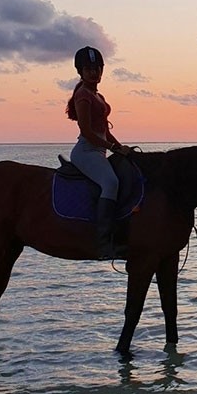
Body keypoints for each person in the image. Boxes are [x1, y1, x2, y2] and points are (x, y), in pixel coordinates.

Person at [66, 46, 132, 259]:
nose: (94, 72)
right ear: (80, 71)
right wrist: (112, 148)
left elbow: (104, 131)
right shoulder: (83, 95)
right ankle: (103, 243)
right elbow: (86, 131)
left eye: (97, 68)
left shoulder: (98, 95)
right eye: (89, 68)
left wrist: (121, 148)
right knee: (110, 183)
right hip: (87, 151)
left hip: (99, 150)